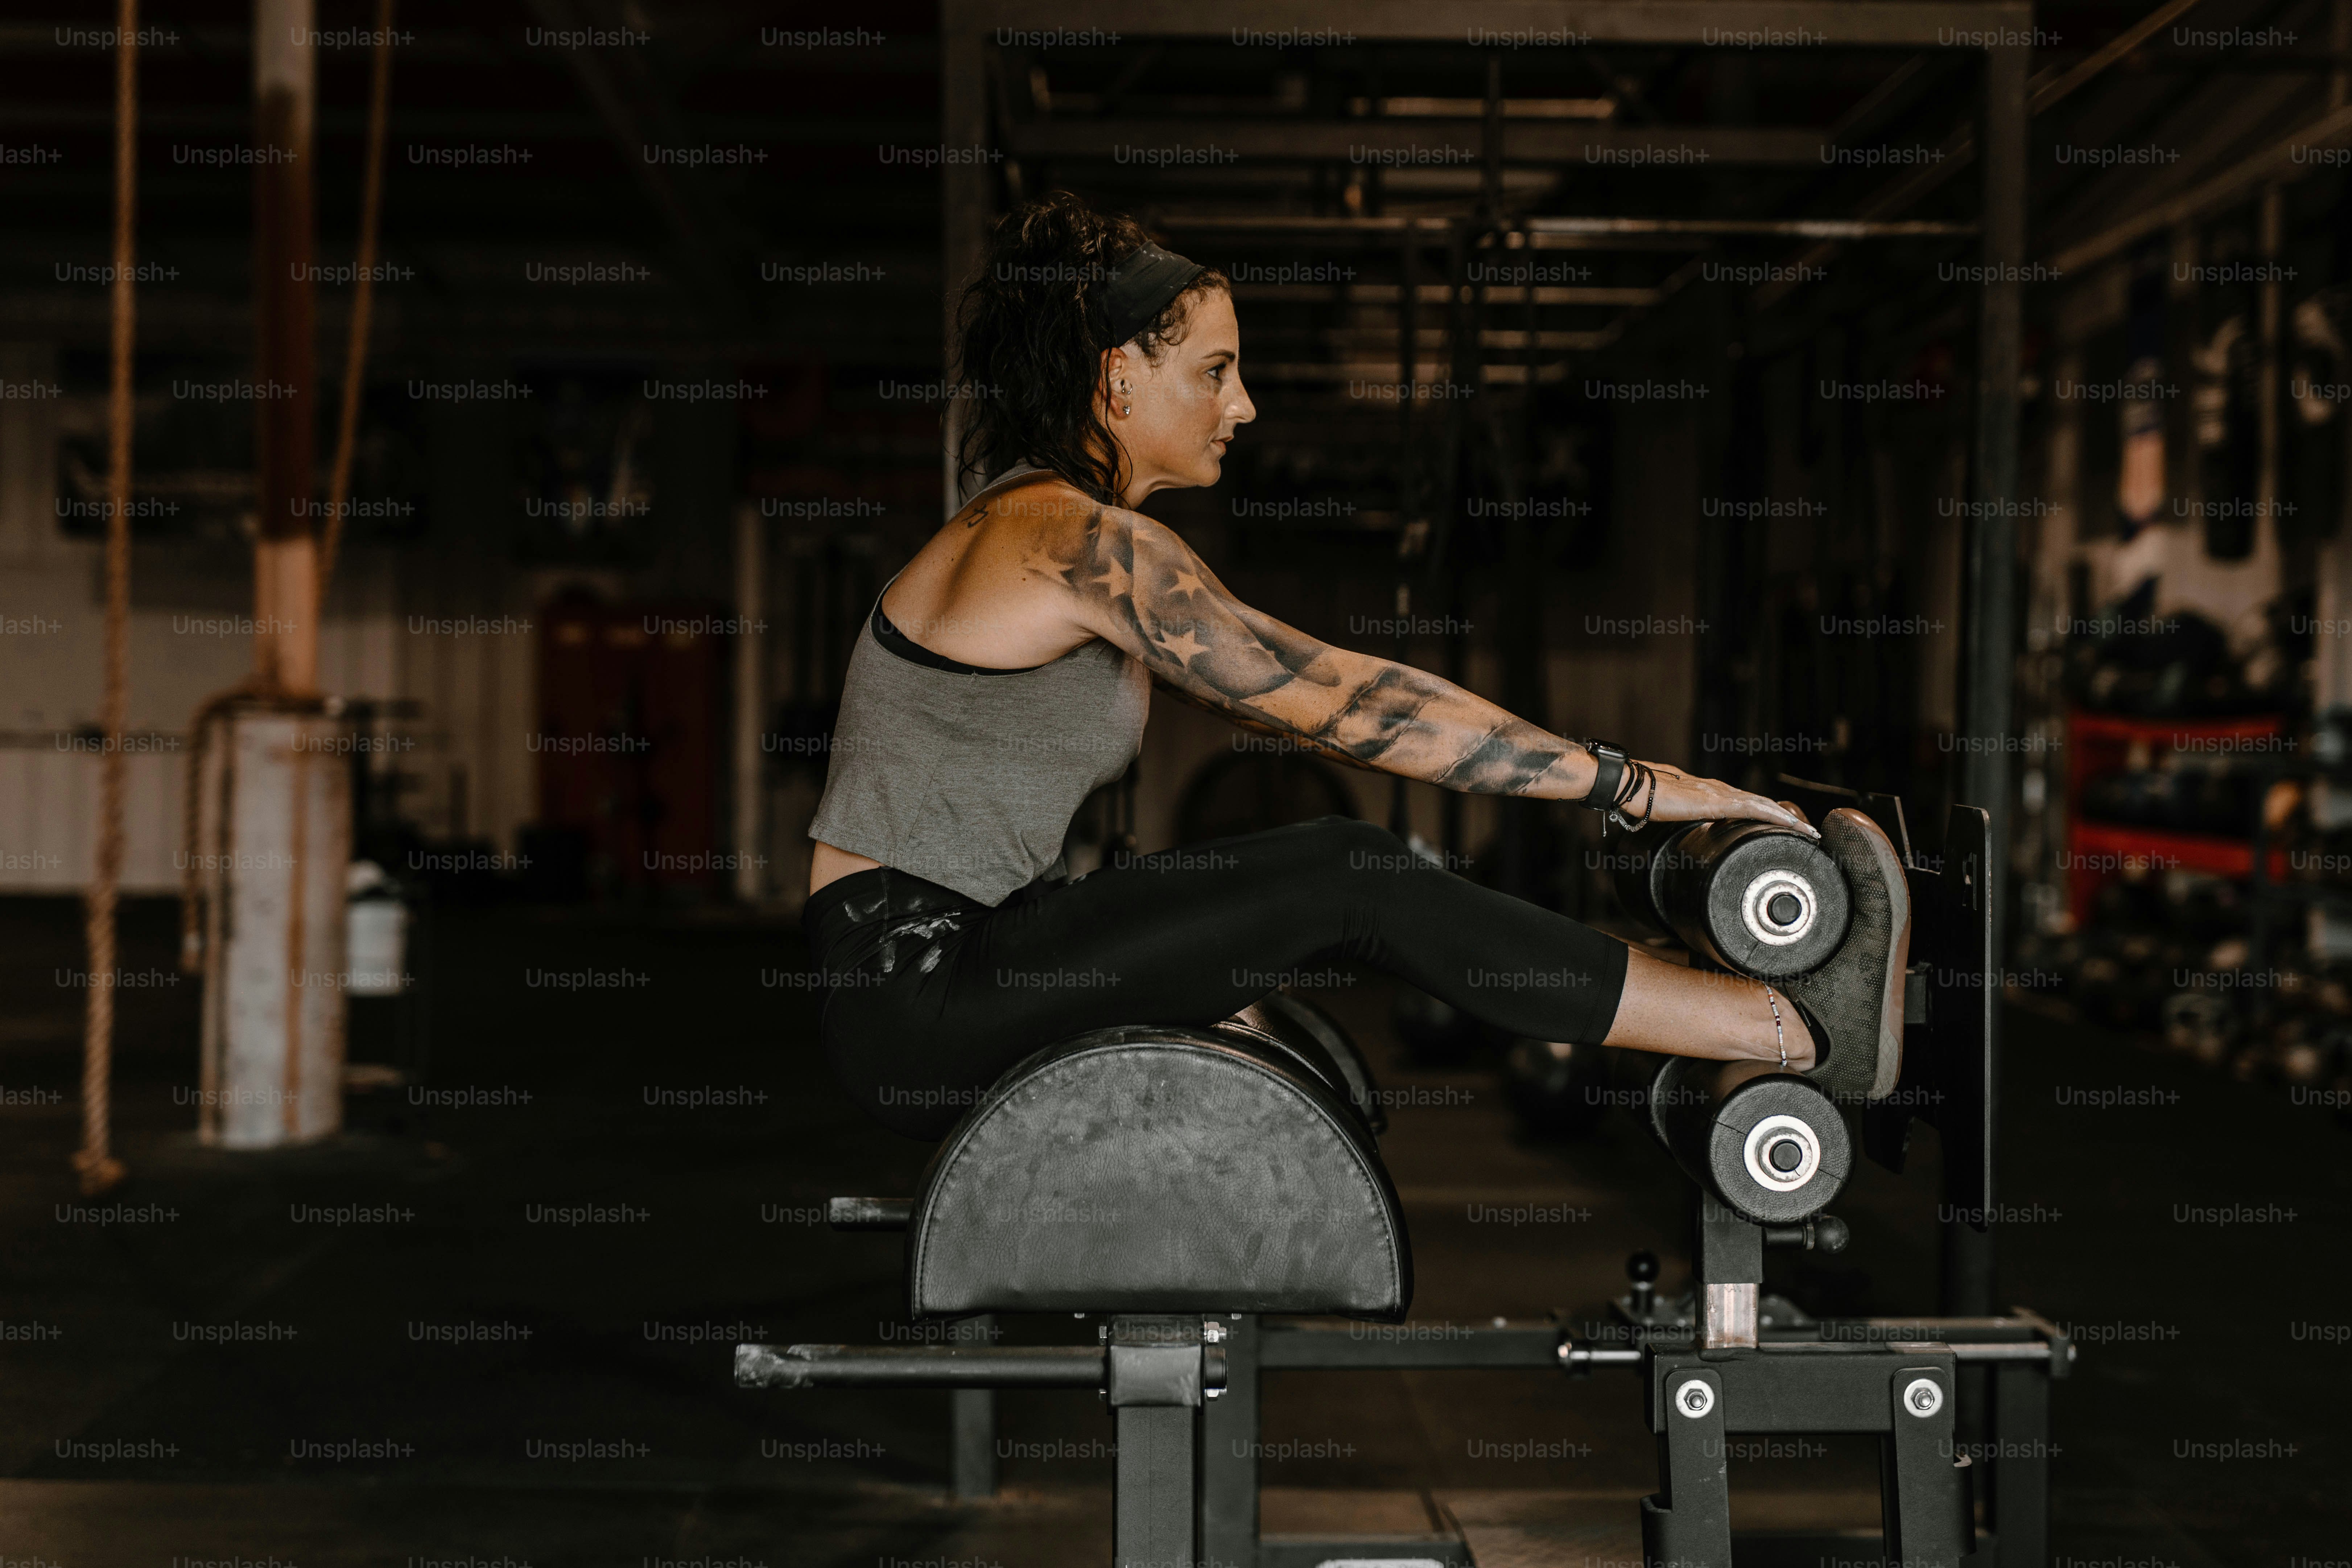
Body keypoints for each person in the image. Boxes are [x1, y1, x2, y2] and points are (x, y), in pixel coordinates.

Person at [802, 191, 1910, 1141]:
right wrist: (1636, 786)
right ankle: (1784, 1026)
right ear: (1116, 379)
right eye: (1216, 370)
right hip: (923, 983)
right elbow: (1339, 700)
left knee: (1328, 879)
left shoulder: (1032, 527)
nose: (1244, 405)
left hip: (935, 965)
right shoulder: (1073, 542)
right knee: (1350, 870)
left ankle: (1766, 1016)